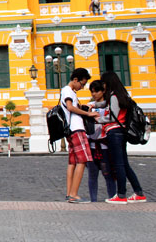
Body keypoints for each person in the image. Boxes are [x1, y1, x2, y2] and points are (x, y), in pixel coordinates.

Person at [96, 71, 147, 204]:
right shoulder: (122, 95)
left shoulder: (114, 96)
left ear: (107, 83)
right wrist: (93, 105)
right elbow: (104, 105)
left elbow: (112, 117)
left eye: (103, 83)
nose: (103, 86)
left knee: (118, 164)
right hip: (121, 133)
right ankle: (138, 192)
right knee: (124, 164)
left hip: (114, 132)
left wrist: (98, 119)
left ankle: (121, 194)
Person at [61, 68, 99, 203]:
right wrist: (88, 114)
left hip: (71, 130)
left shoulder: (68, 91)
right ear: (75, 80)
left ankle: (69, 193)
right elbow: (70, 107)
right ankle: (74, 194)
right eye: (82, 84)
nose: (82, 87)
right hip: (77, 129)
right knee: (82, 160)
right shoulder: (68, 91)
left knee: (73, 162)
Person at [86, 80, 116, 202]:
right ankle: (93, 200)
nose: (94, 94)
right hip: (92, 144)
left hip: (104, 145)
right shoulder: (89, 106)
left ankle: (112, 197)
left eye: (96, 91)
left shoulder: (109, 105)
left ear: (103, 91)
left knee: (108, 174)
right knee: (92, 175)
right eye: (92, 92)